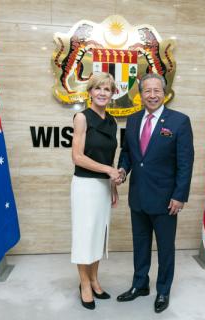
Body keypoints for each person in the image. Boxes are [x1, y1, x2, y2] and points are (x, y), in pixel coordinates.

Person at [116, 73, 194, 313]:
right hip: (138, 196)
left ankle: (163, 290)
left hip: (165, 199)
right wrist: (122, 169)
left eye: (156, 90)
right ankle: (140, 284)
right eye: (147, 90)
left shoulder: (179, 121)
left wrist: (179, 196)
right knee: (140, 245)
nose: (152, 95)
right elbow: (128, 152)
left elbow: (185, 162)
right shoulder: (132, 119)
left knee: (165, 247)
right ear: (140, 94)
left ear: (165, 92)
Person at [71, 72, 120, 310]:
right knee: (84, 235)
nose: (102, 93)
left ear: (112, 94)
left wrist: (112, 186)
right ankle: (84, 284)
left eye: (107, 89)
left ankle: (94, 278)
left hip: (103, 187)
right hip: (85, 186)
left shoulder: (112, 121)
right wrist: (108, 170)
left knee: (99, 235)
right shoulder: (82, 117)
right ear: (90, 91)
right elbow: (77, 157)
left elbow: (109, 157)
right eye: (98, 88)